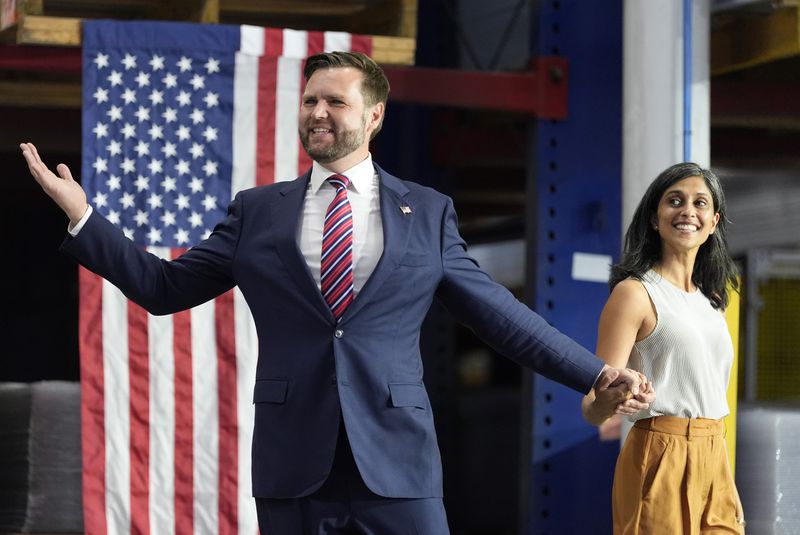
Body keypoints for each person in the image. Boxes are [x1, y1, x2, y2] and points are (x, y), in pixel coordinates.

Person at [22, 51, 648, 535]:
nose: (317, 113)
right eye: (310, 101)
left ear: (374, 116)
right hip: (295, 462)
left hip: (398, 463)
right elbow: (164, 288)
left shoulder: (427, 213)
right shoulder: (258, 212)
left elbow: (498, 315)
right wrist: (83, 218)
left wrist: (595, 374)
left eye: (335, 102)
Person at [581, 162, 745, 534]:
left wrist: (721, 470)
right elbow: (592, 407)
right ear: (655, 218)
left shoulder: (711, 301)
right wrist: (613, 399)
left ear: (714, 221)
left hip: (714, 450)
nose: (688, 211)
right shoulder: (635, 294)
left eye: (700, 203)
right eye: (675, 200)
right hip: (660, 453)